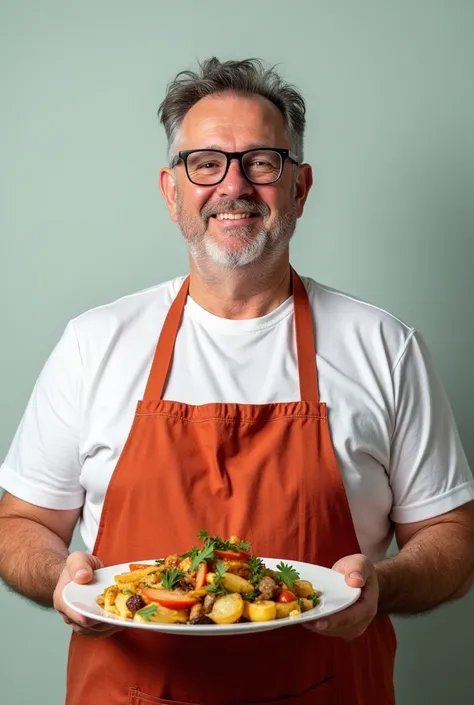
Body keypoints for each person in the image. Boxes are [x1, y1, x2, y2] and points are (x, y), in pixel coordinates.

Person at [0, 57, 473, 705]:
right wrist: (61, 573)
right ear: (171, 191)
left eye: (261, 161)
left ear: (300, 187)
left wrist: (382, 585)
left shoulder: (384, 346)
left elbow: (453, 537)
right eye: (206, 163)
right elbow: (20, 520)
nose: (234, 185)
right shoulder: (95, 343)